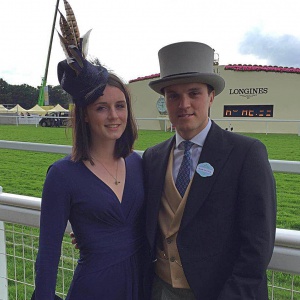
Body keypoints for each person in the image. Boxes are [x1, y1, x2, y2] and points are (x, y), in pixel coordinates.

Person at [142, 41, 277, 300]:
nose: (184, 104)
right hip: (160, 290)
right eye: (174, 96)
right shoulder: (153, 157)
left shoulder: (246, 154)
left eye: (194, 93)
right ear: (165, 101)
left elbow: (257, 246)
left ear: (211, 96)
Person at [33, 1, 145, 299]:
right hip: (94, 288)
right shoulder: (62, 175)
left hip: (143, 285)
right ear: (84, 114)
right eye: (101, 108)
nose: (114, 116)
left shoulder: (140, 163)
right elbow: (48, 252)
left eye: (120, 106)